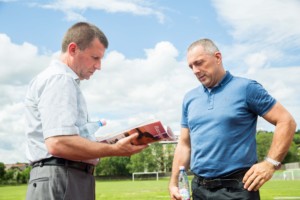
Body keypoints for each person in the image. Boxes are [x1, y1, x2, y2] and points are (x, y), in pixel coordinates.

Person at [24, 22, 148, 200]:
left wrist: (107, 143)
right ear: (73, 49)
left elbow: (66, 137)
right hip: (62, 175)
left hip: (67, 175)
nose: (99, 66)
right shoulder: (60, 79)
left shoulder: (63, 81)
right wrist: (114, 150)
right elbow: (58, 143)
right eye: (95, 57)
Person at [169, 38, 296, 200]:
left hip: (237, 189)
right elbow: (185, 144)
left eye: (199, 63)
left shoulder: (246, 88)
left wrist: (270, 163)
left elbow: (286, 121)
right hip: (199, 189)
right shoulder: (189, 98)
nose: (195, 70)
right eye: (191, 66)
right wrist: (173, 183)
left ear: (218, 57)